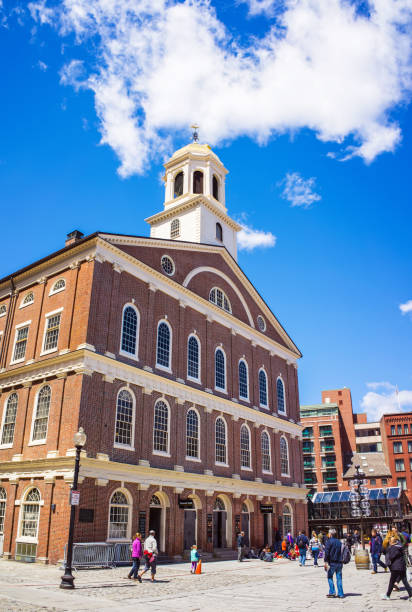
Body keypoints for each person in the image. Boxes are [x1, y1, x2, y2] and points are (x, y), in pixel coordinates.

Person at [382, 536, 412, 601]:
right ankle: (411, 595)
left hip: (395, 567)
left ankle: (387, 595)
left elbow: (391, 557)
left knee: (391, 582)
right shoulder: (400, 547)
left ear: (391, 542)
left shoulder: (393, 548)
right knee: (405, 581)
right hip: (402, 566)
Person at [324, 528, 344, 599]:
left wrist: (325, 561)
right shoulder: (339, 542)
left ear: (330, 534)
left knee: (329, 576)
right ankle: (341, 594)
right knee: (339, 578)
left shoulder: (329, 542)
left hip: (332, 562)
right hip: (339, 562)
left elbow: (327, 552)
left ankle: (332, 591)